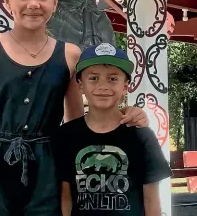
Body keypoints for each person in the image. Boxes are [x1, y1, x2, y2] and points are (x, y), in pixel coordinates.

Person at [0, 0, 149, 216]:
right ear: (8, 1)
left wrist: (127, 116)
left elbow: (79, 126)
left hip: (47, 174)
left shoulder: (70, 55)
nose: (33, 4)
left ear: (55, 2)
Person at [55, 43, 173, 216]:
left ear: (125, 86)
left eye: (112, 79)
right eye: (93, 78)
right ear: (80, 85)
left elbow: (151, 199)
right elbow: (65, 197)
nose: (103, 86)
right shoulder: (66, 135)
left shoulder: (141, 135)